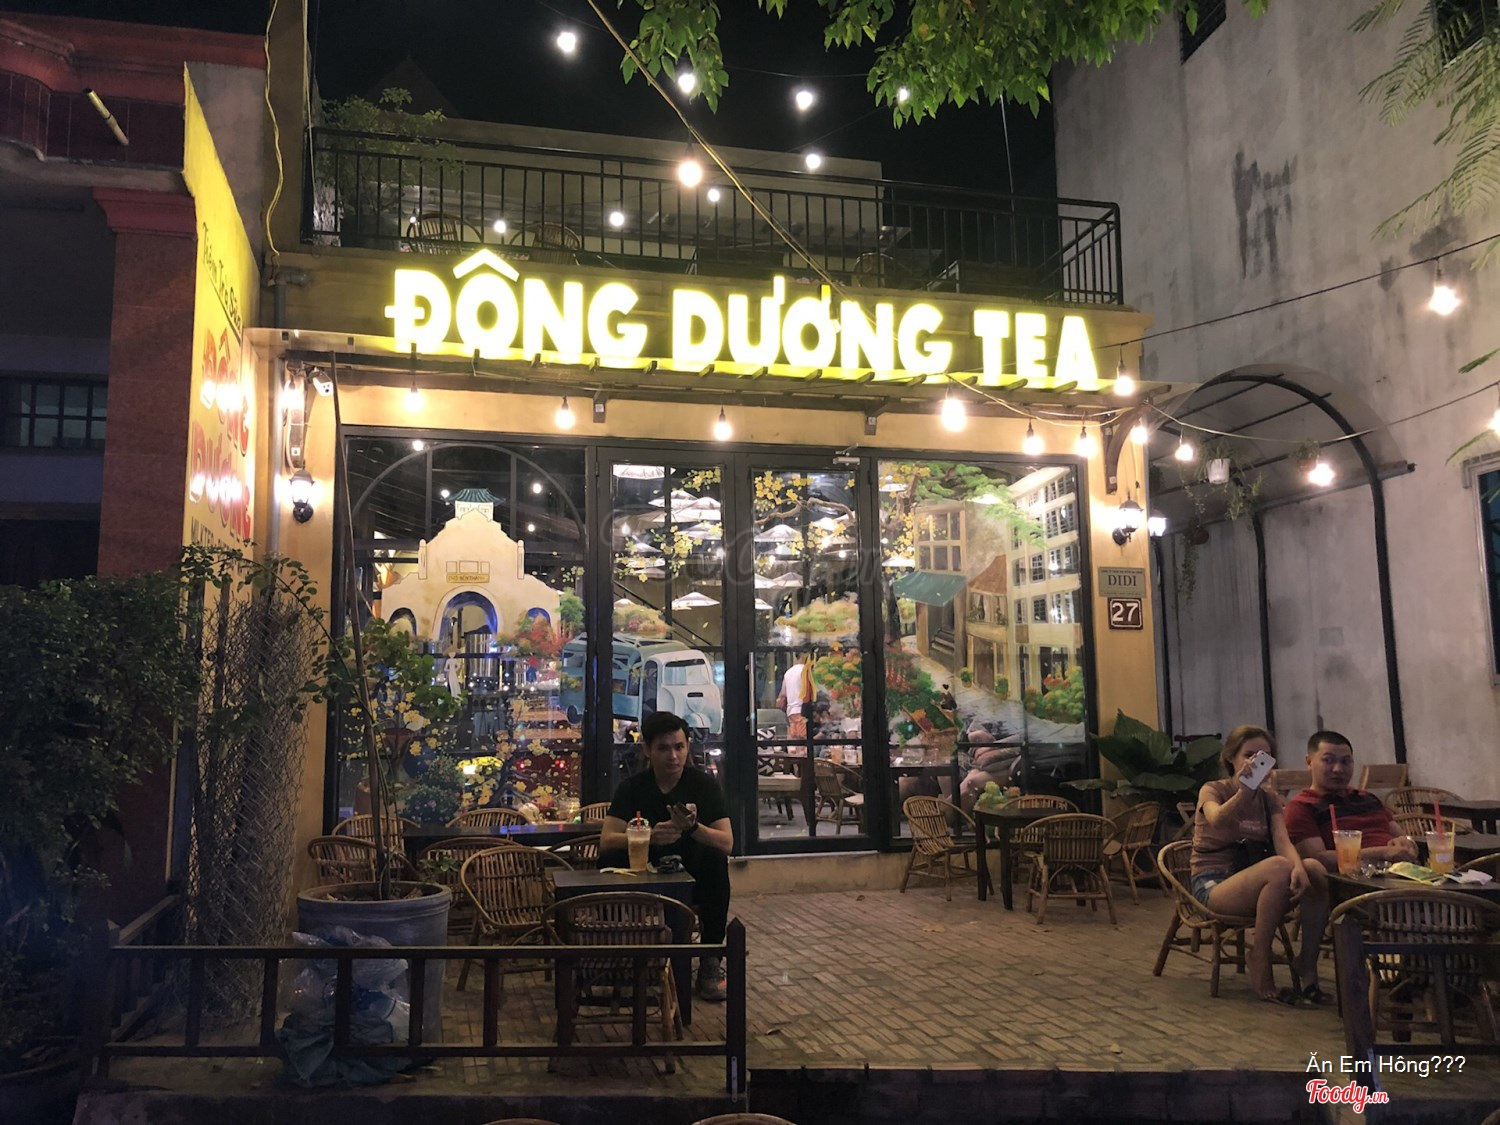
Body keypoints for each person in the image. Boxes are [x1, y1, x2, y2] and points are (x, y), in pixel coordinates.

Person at [599, 711, 734, 1002]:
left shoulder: (704, 785)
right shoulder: (632, 787)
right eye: (663, 748)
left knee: (716, 862)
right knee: (609, 862)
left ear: (688, 747)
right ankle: (615, 957)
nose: (673, 756)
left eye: (679, 747)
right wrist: (648, 835)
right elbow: (606, 840)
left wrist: (693, 828)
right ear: (647, 750)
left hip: (694, 875)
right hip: (643, 875)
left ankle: (710, 959)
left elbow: (727, 843)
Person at [1190, 725, 1330, 1005]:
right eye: (1249, 755)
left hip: (1258, 880)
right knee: (1278, 867)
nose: (1255, 762)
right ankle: (1260, 955)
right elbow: (1216, 819)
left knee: (1314, 869)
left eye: (1263, 756)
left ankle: (1308, 962)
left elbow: (1282, 841)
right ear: (1231, 758)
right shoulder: (1213, 789)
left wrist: (1299, 868)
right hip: (1214, 881)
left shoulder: (1268, 799)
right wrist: (1244, 793)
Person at [1284, 730, 1419, 869]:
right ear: (1309, 762)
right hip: (1355, 876)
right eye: (1328, 760)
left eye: (1345, 761)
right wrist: (1383, 853)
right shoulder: (1302, 807)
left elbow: (1403, 837)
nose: (1338, 769)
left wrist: (1407, 844)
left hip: (1402, 870)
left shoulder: (1368, 798)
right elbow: (1319, 860)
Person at [776, 655, 815, 742]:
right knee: (804, 741)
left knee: (795, 741)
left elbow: (782, 696)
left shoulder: (788, 673)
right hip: (803, 711)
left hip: (791, 712)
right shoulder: (807, 671)